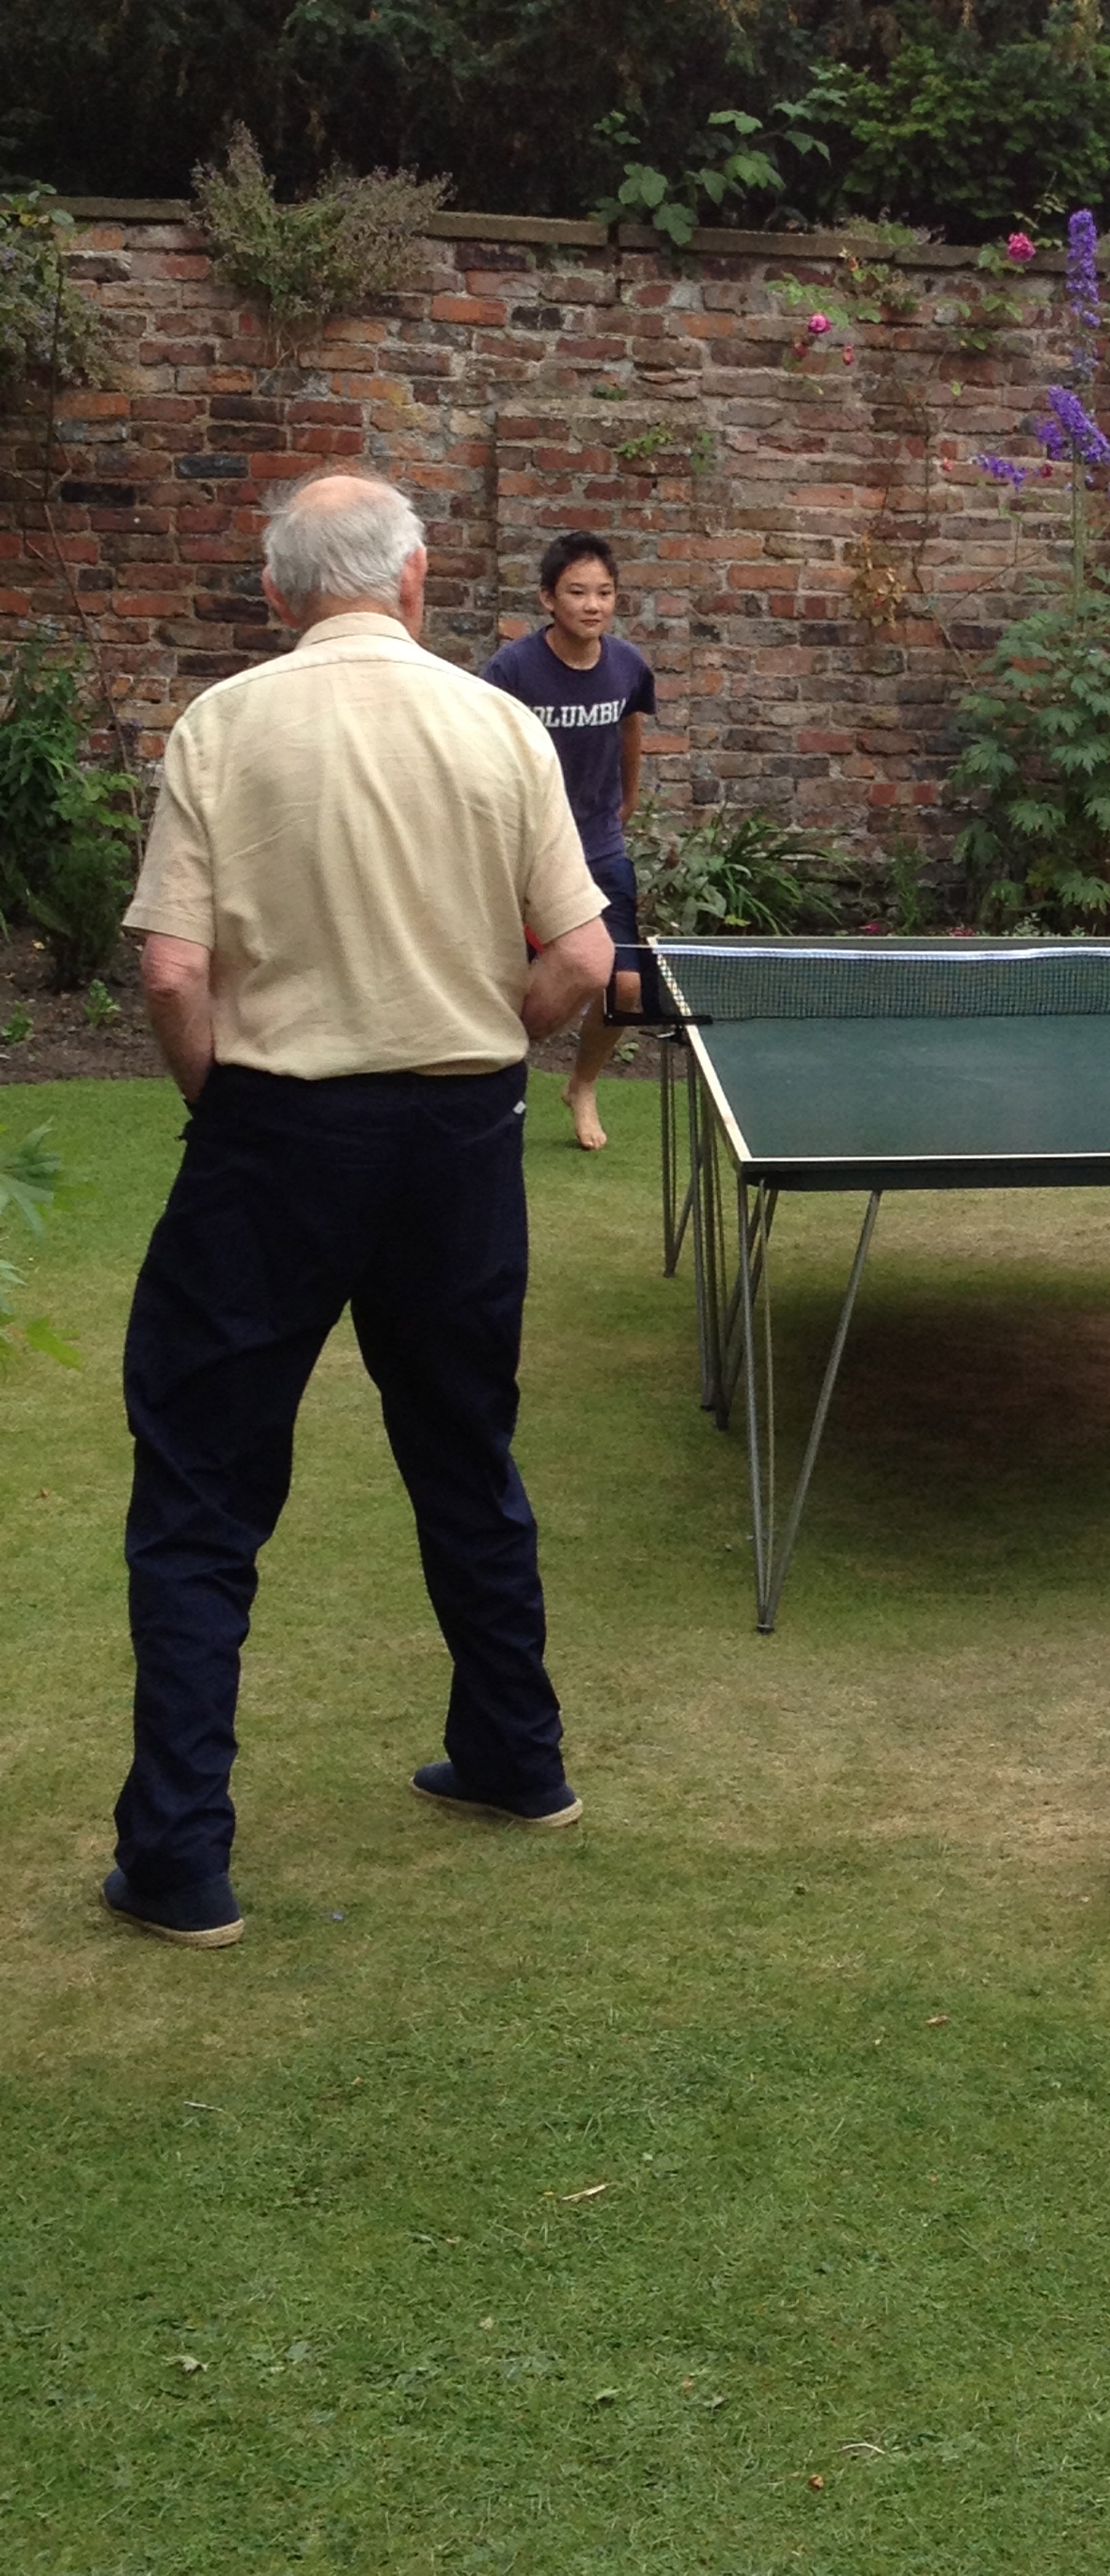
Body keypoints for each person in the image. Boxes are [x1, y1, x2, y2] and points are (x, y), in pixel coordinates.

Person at [104, 472, 613, 1948]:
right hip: (458, 1135)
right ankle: (516, 1756)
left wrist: (220, 1099)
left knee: (201, 1484)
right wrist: (486, 1037)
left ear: (276, 594)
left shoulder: (225, 724)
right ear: (415, 578)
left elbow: (173, 971)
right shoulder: (498, 723)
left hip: (274, 1133)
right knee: (464, 1446)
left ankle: (179, 1858)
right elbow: (585, 959)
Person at [479, 532, 658, 1151]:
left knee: (627, 987)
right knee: (507, 983)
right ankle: (501, 1091)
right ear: (548, 599)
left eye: (604, 593)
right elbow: (486, 752)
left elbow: (631, 728)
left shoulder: (628, 665)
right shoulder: (512, 670)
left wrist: (626, 801)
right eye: (578, 592)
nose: (592, 604)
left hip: (599, 846)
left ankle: (582, 1085)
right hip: (526, 851)